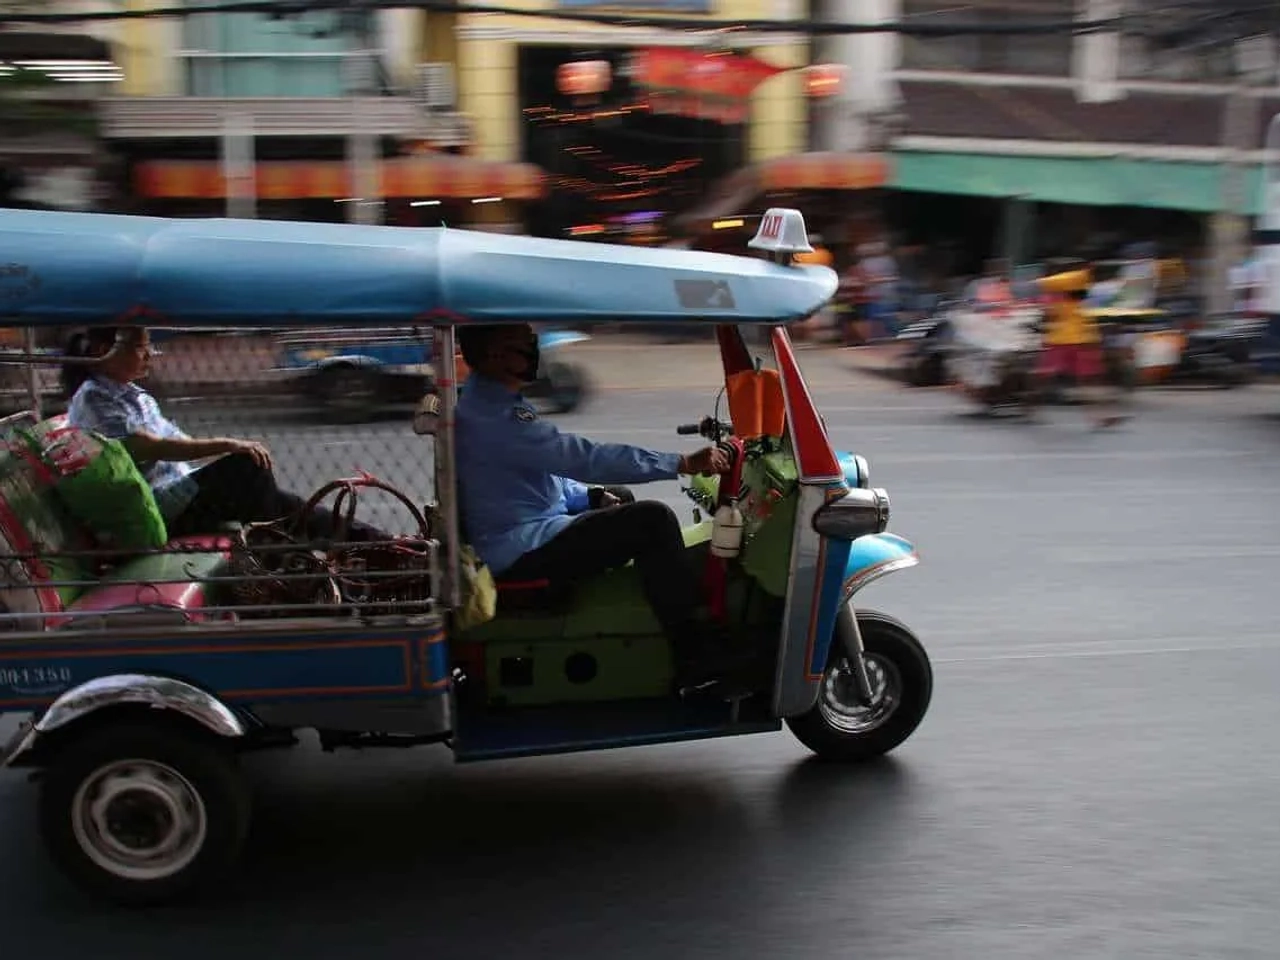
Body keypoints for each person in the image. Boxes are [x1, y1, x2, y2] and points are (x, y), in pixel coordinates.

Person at [453, 323, 761, 695]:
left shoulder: (491, 400)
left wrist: (589, 497)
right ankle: (696, 654)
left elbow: (539, 473)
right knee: (653, 520)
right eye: (524, 345)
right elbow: (582, 458)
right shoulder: (498, 419)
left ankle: (637, 618)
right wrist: (680, 463)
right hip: (519, 548)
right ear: (494, 356)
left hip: (520, 527)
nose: (534, 352)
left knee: (618, 497)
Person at [63, 326, 384, 542]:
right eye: (141, 348)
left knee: (283, 501)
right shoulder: (94, 398)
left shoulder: (135, 395)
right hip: (158, 509)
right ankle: (285, 556)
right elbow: (147, 447)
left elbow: (181, 443)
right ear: (104, 350)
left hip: (180, 494)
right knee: (249, 470)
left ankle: (371, 542)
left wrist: (223, 455)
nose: (150, 355)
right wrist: (230, 446)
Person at [1037, 261, 1127, 429]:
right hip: (1063, 341)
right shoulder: (1058, 293)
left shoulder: (1070, 292)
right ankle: (1030, 406)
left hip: (1076, 340)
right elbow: (1049, 310)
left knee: (1088, 380)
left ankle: (1100, 416)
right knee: (1050, 378)